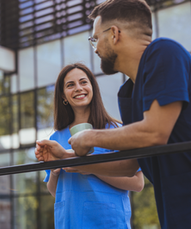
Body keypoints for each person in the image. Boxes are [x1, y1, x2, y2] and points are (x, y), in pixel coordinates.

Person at [35, 0, 191, 228]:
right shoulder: (128, 92)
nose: (96, 48)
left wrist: (88, 138)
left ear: (115, 34)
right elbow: (129, 164)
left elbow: (155, 132)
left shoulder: (164, 51)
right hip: (173, 209)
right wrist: (67, 157)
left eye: (95, 39)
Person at [37, 63, 144, 229]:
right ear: (63, 96)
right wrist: (55, 171)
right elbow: (54, 192)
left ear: (93, 88)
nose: (78, 88)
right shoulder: (55, 138)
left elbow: (137, 183)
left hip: (108, 222)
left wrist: (91, 167)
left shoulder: (115, 130)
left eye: (83, 82)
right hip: (69, 222)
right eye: (70, 85)